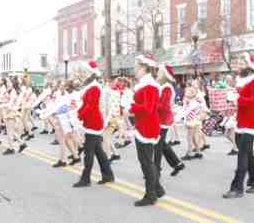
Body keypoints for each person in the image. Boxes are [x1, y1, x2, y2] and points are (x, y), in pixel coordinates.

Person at [121, 54, 165, 206]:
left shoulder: (149, 85)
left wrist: (130, 106)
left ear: (144, 68)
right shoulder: (145, 84)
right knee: (146, 160)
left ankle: (151, 195)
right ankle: (157, 189)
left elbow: (148, 108)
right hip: (144, 124)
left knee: (146, 162)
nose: (134, 69)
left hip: (147, 126)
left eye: (136, 67)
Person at [223, 53, 254, 199]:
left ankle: (237, 188)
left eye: (243, 62)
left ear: (249, 64)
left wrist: (238, 98)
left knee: (242, 155)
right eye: (239, 61)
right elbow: (240, 99)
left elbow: (253, 102)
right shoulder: (239, 80)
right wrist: (232, 97)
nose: (240, 64)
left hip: (250, 123)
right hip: (241, 122)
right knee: (248, 153)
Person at [73, 60, 114, 188]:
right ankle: (108, 175)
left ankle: (86, 178)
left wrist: (79, 115)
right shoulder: (90, 86)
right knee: (98, 151)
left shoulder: (95, 87)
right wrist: (78, 112)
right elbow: (86, 105)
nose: (84, 74)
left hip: (94, 123)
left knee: (88, 152)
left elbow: (90, 107)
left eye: (86, 72)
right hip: (91, 121)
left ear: (91, 73)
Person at [155, 64, 185, 177]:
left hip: (163, 119)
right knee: (161, 143)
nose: (158, 73)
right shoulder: (162, 86)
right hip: (161, 118)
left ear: (165, 75)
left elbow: (163, 106)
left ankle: (156, 170)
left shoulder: (166, 87)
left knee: (157, 145)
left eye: (160, 72)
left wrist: (151, 104)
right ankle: (177, 163)